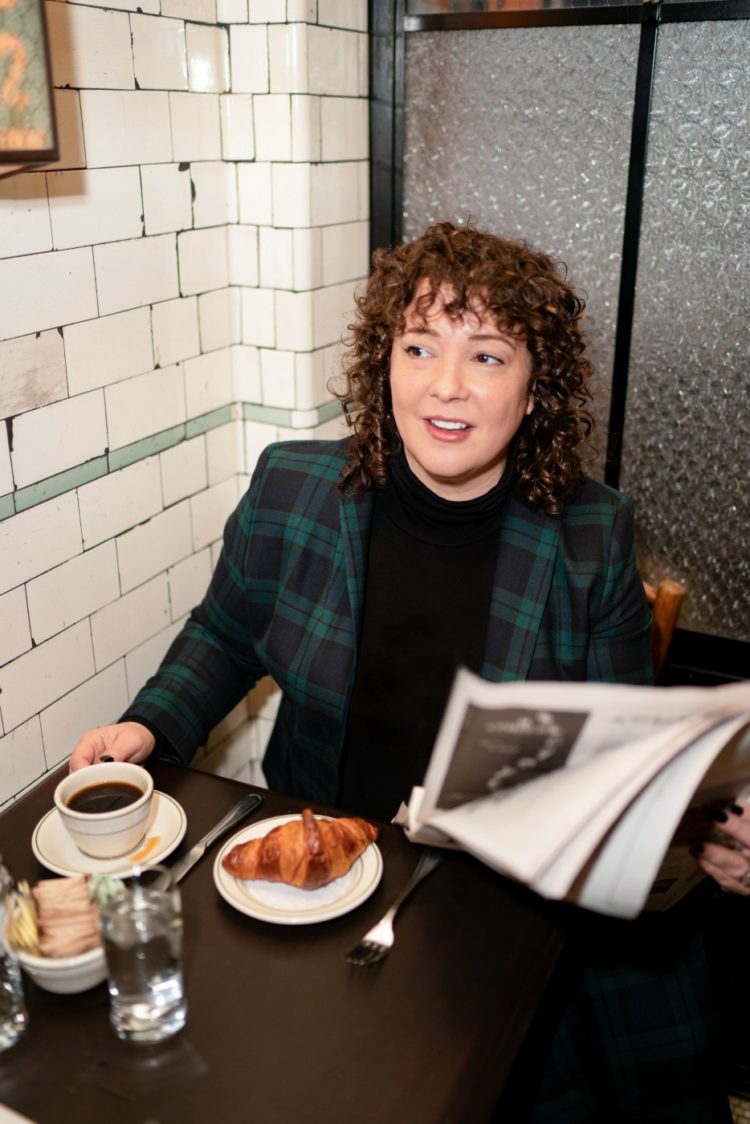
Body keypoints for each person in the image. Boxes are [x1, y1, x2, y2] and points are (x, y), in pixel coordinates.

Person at [71, 221, 744, 1120]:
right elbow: (227, 631)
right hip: (318, 883)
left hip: (494, 905)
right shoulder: (293, 488)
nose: (447, 386)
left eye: (489, 356)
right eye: (419, 346)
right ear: (382, 363)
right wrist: (150, 725)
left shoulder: (591, 533)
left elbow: (617, 752)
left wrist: (701, 823)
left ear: (537, 388)